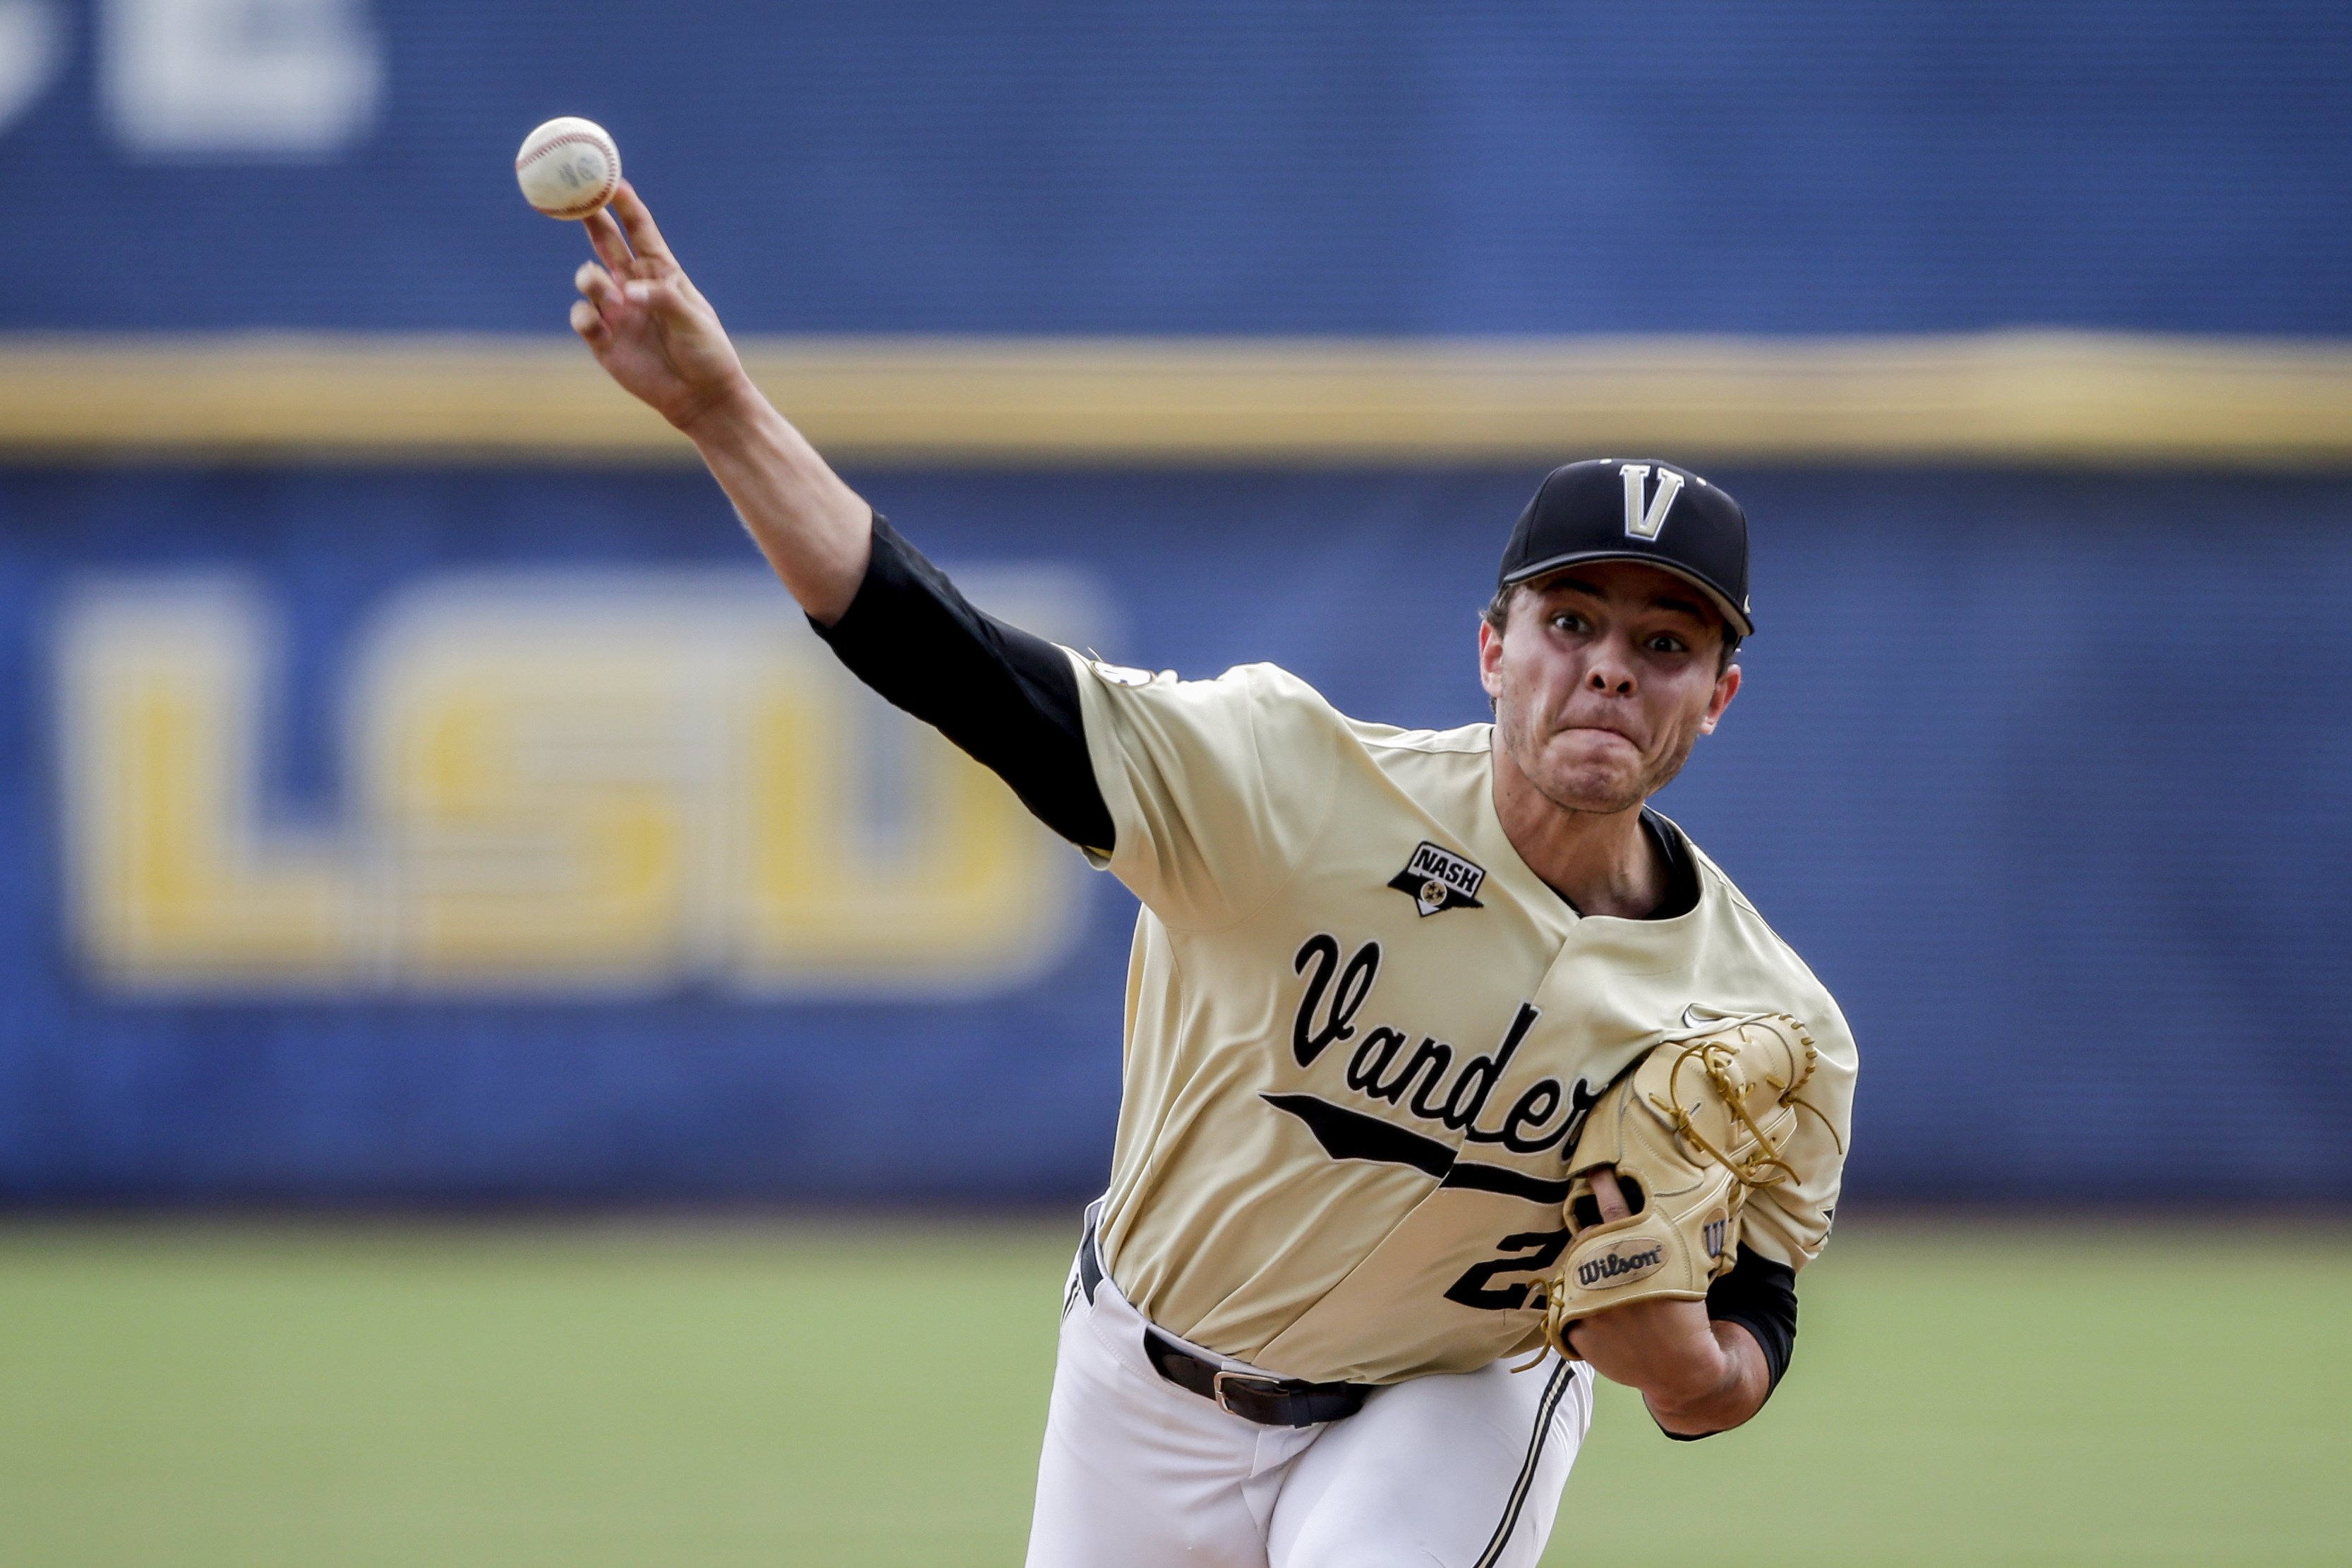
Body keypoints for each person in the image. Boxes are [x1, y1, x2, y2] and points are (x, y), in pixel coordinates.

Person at [562, 183, 1857, 1568]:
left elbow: (1744, 1343)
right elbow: (955, 665)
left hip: (1447, 1399)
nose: (1608, 663)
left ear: (1717, 697)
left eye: (1664, 644)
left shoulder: (1762, 1025)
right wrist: (719, 413)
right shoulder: (1288, 787)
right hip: (1140, 1381)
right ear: (1490, 650)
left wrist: (1675, 1363)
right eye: (1568, 619)